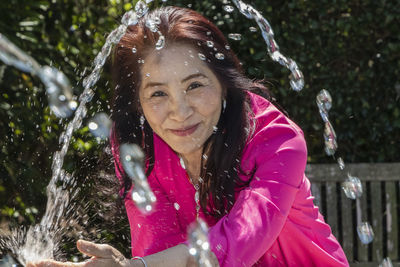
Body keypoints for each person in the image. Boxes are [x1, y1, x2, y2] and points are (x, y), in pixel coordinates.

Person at [28, 6, 349, 267]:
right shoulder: (136, 142)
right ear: (137, 102)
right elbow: (160, 246)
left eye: (195, 85)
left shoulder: (275, 139)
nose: (179, 112)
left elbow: (236, 244)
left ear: (225, 83)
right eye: (157, 93)